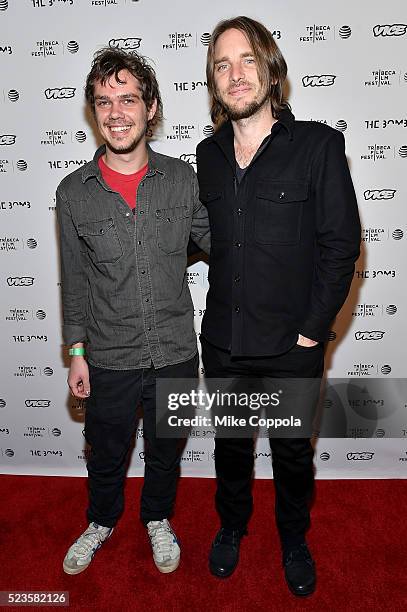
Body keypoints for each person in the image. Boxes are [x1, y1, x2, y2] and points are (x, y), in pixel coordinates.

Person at [196, 16, 360, 595]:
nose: (235, 74)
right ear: (213, 82)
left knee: (292, 457)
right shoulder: (206, 156)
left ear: (270, 70)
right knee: (231, 451)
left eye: (246, 60)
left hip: (293, 346)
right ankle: (231, 527)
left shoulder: (317, 145)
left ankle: (294, 537)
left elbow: (341, 247)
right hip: (224, 343)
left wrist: (314, 331)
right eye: (222, 64)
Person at [56, 47, 210, 575]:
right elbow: (74, 281)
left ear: (151, 108)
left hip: (173, 352)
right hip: (109, 355)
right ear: (93, 110)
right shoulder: (73, 193)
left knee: (166, 452)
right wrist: (76, 352)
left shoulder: (185, 180)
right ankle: (101, 519)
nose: (116, 112)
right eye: (103, 101)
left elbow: (227, 245)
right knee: (105, 455)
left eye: (127, 99)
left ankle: (157, 517)